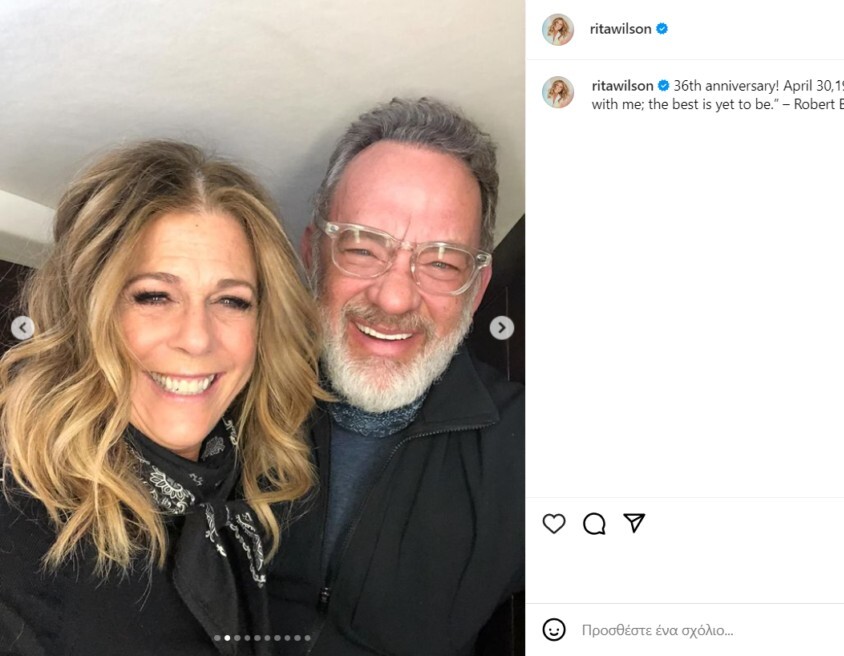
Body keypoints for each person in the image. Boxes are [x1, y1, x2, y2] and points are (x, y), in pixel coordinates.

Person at [0, 140, 324, 656]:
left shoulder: (240, 483)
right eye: (154, 295)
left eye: (231, 300)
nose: (196, 337)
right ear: (87, 312)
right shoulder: (20, 529)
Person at [268, 98, 524, 656]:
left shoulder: (527, 449)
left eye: (441, 263)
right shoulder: (224, 394)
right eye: (363, 248)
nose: (394, 298)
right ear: (313, 255)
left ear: (477, 290)